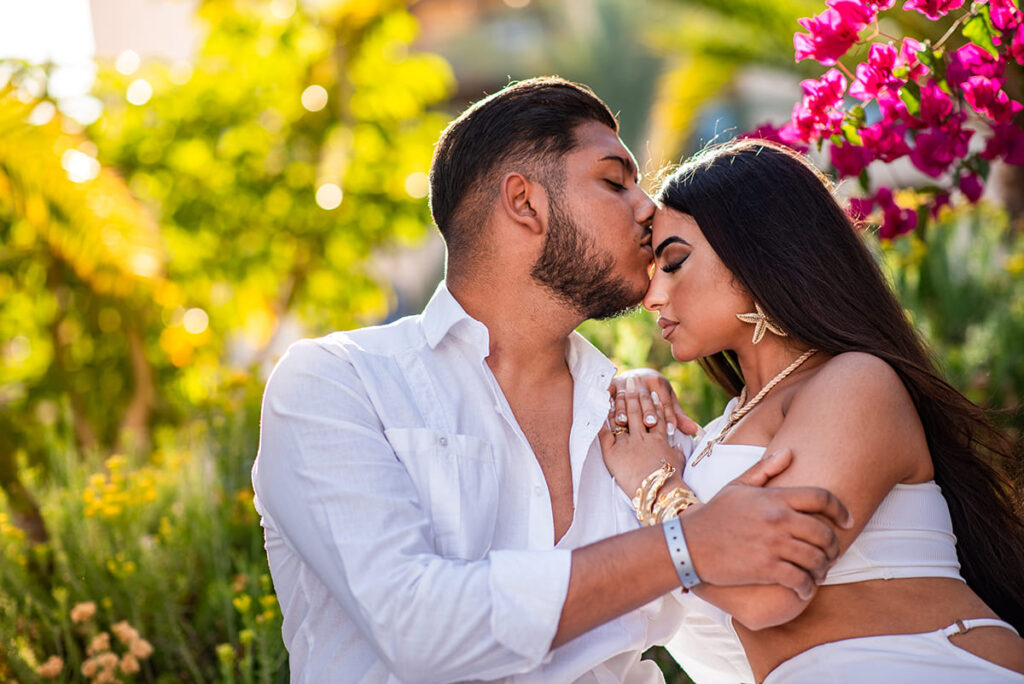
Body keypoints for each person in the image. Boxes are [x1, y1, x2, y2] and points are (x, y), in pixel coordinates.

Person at [251, 78, 854, 682]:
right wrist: (684, 545)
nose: (648, 208)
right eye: (615, 181)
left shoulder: (638, 430)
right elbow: (415, 626)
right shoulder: (338, 383)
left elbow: (733, 650)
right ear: (525, 203)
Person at [602, 138, 1024, 683]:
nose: (653, 295)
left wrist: (654, 487)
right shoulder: (713, 434)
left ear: (758, 255)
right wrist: (630, 388)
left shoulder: (857, 382)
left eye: (675, 262)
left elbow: (765, 592)